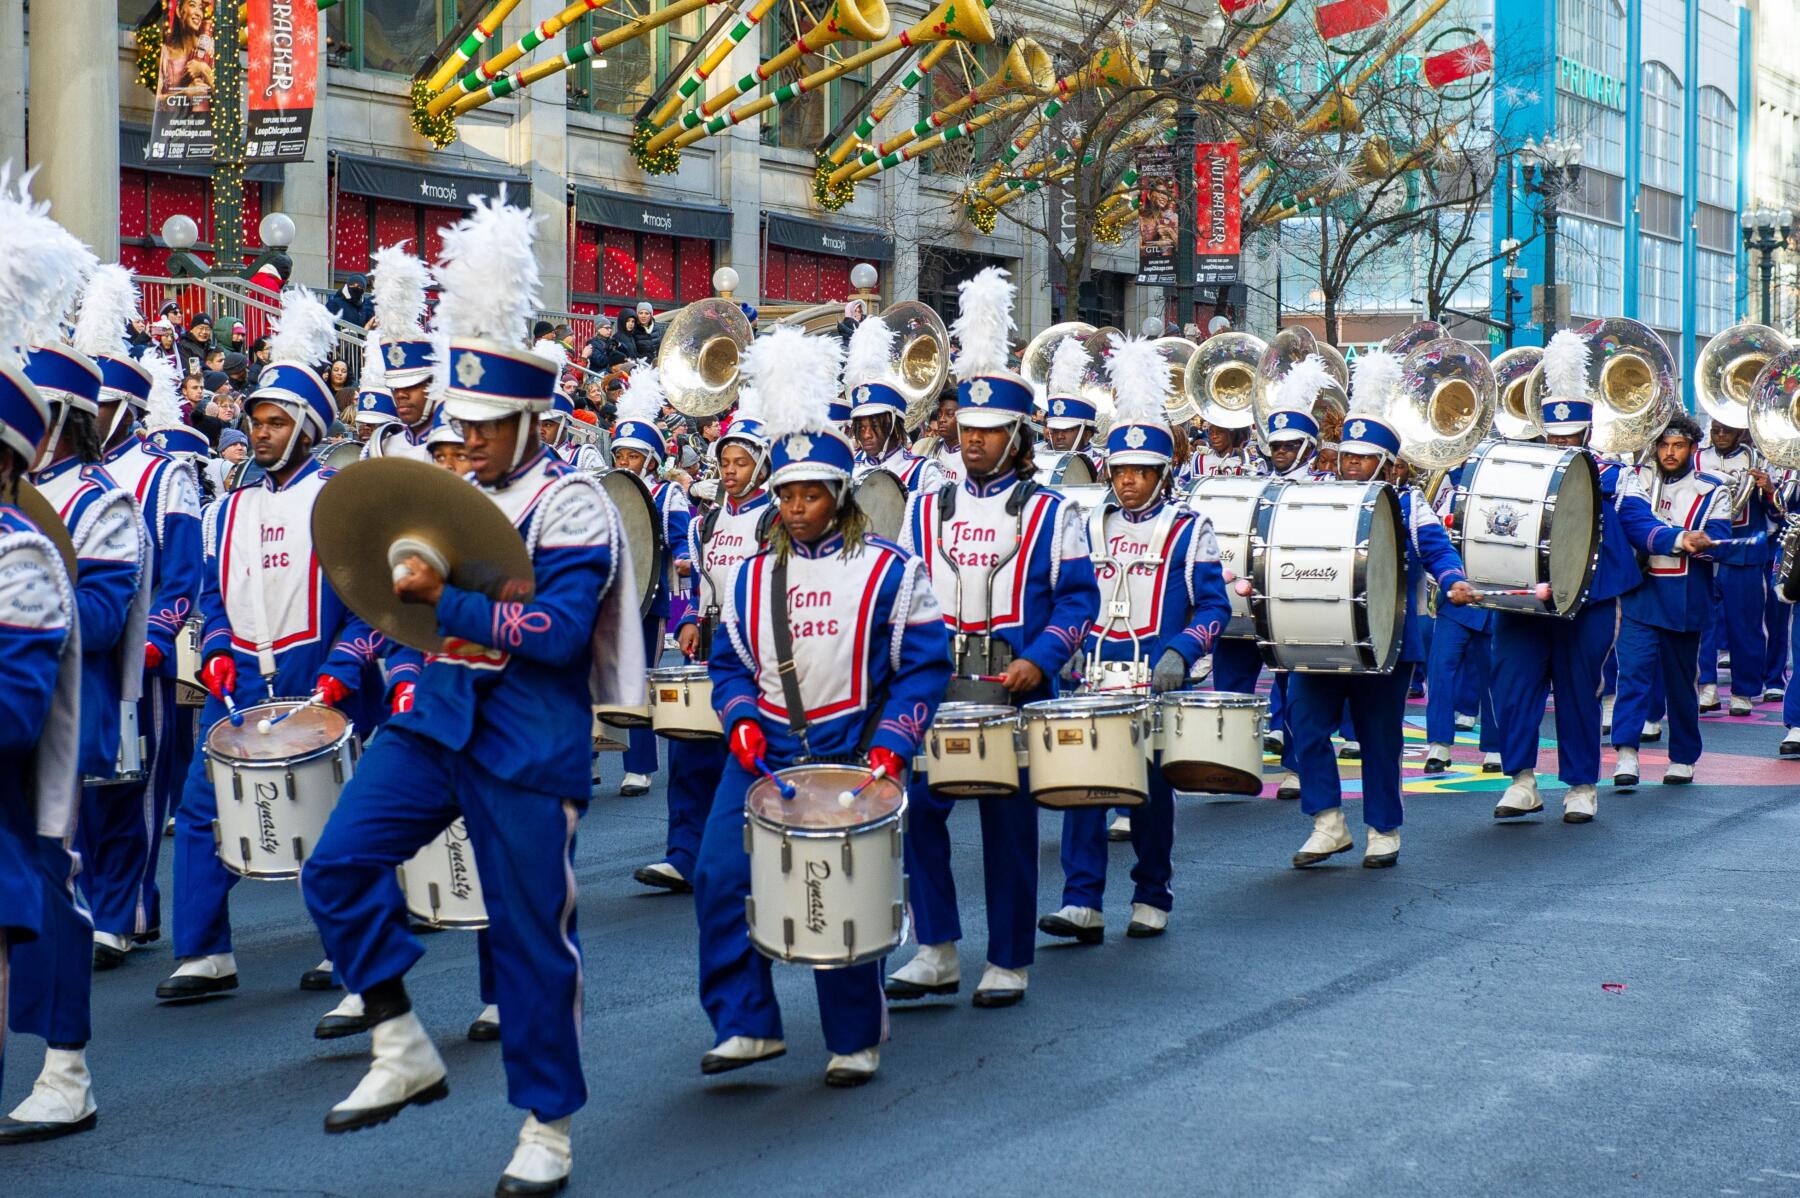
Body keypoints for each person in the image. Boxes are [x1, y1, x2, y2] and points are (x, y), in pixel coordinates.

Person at [300, 194, 641, 1195]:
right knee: (336, 865)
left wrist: (443, 598)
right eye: (466, 424)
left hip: (529, 736)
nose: (473, 440)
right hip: (437, 716)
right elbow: (392, 603)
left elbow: (560, 635)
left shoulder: (572, 502)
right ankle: (398, 1039)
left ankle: (548, 1125)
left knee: (533, 942)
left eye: (490, 426)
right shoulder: (454, 488)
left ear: (531, 418)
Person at [693, 325, 950, 1084]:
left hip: (849, 752)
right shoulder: (747, 576)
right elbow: (729, 665)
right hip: (765, 752)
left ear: (839, 496)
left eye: (810, 494)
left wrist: (894, 743)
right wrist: (739, 718)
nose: (797, 507)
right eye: (787, 494)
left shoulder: (891, 570)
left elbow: (924, 668)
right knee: (718, 877)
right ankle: (746, 1023)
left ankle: (854, 1035)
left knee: (836, 891)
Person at [157, 286, 386, 1003]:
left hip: (321, 674)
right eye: (255, 420)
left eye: (275, 421)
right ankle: (204, 952)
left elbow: (373, 607)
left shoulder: (341, 498)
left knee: (337, 819)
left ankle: (351, 952)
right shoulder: (227, 507)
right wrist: (217, 646)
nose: (258, 432)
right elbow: (214, 594)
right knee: (204, 807)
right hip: (243, 682)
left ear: (308, 428)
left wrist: (346, 666)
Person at [889, 268, 1098, 1007]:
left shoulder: (1053, 511)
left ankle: (1008, 958)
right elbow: (900, 595)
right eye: (966, 428)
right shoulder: (923, 505)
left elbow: (1078, 601)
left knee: (1008, 832)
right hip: (934, 686)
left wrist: (1041, 662)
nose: (972, 440)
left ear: (1017, 438)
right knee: (917, 816)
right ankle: (936, 948)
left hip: (1014, 688)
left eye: (988, 431)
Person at [2, 196, 135, 1145]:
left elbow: (103, 611)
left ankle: (66, 1068)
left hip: (65, 705)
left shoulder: (71, 519)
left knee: (51, 877)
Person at [1043, 336, 1229, 941]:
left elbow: (1215, 606)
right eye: (1120, 471)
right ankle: (1082, 901)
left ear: (1161, 474)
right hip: (1094, 679)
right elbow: (1067, 594)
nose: (1127, 482)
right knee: (1083, 789)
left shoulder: (1189, 528)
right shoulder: (1085, 522)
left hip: (1155, 681)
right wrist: (1065, 645)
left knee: (1149, 795)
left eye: (1140, 472)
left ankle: (1152, 892)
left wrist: (1182, 650)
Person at [1491, 330, 1705, 825]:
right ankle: (1521, 780)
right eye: (1555, 436)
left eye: (1571, 436)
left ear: (1587, 433)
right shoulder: (1520, 468)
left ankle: (1581, 785)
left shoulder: (1614, 475)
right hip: (1526, 596)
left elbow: (1639, 523)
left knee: (1577, 688)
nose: (1562, 444)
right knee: (1513, 686)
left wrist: (1676, 538)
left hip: (1588, 598)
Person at [1286, 349, 1474, 868]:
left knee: (1379, 737)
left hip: (1386, 639)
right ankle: (1327, 822)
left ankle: (1383, 829)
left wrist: (1453, 580)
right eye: (1347, 456)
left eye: (1365, 458)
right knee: (1306, 725)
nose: (1352, 464)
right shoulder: (1314, 496)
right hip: (1319, 633)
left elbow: (1438, 550)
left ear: (1388, 465)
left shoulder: (1411, 505)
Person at [78, 267, 205, 970]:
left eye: (96, 407)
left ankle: (121, 911)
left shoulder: (165, 473)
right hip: (77, 654)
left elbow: (182, 573)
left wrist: (153, 639)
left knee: (131, 787)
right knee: (76, 789)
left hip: (138, 658)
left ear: (125, 409)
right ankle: (96, 904)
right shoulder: (62, 475)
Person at [0, 341, 81, 1146]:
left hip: (16, 794)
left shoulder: (19, 558)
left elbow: (12, 718)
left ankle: (67, 1070)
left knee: (59, 885)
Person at [650, 394, 774, 895]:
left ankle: (745, 854)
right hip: (710, 640)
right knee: (689, 746)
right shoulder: (707, 522)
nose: (730, 471)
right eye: (725, 462)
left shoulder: (775, 519)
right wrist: (689, 620)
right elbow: (702, 584)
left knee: (741, 750)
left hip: (756, 648)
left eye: (741, 462)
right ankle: (682, 855)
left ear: (761, 465)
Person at [1612, 414, 1736, 787]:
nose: (1669, 452)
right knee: (1632, 675)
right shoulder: (1634, 482)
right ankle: (1626, 752)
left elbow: (1721, 543)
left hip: (1685, 599)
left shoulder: (1713, 489)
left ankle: (1683, 756)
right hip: (1640, 595)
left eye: (1678, 446)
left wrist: (1703, 543)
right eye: (1664, 445)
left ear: (1692, 448)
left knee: (1681, 684)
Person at [609, 367, 693, 796]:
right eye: (620, 455)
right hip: (611, 597)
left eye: (632, 456)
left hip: (649, 597)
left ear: (652, 460)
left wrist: (683, 561)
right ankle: (591, 751)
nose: (624, 462)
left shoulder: (668, 494)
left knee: (639, 675)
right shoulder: (607, 489)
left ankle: (639, 766)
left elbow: (681, 542)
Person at [1696, 417, 1775, 715]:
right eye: (1715, 430)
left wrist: (1768, 490)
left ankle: (1744, 690)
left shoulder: (1757, 460)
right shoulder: (1697, 458)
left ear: (1740, 432)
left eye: (1726, 430)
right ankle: (1706, 684)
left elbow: (1777, 513)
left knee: (1745, 626)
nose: (1720, 435)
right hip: (1704, 551)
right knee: (1701, 623)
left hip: (1743, 553)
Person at [843, 316, 944, 492]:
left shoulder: (923, 473)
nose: (866, 435)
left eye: (874, 426)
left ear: (894, 425)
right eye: (861, 427)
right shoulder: (847, 467)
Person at [359, 245, 437, 462]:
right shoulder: (380, 448)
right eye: (395, 387)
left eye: (411, 385)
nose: (400, 395)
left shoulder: (454, 450)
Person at [1040, 335, 1100, 457]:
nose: (1059, 436)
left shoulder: (1102, 466)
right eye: (1054, 430)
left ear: (1087, 435)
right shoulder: (1037, 458)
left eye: (1067, 430)